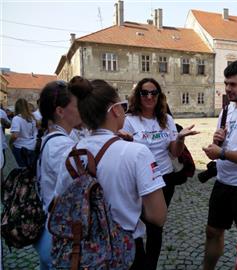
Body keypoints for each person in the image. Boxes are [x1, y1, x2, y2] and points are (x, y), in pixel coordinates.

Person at [54, 78, 167, 270]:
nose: (124, 109)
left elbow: (59, 202)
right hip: (125, 250)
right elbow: (158, 216)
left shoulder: (71, 154)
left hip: (84, 252)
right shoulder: (137, 152)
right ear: (115, 109)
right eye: (123, 105)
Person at [122, 77, 198, 270]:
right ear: (137, 96)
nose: (149, 96)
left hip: (163, 179)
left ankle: (150, 266)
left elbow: (174, 152)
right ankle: (138, 263)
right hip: (138, 181)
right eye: (144, 93)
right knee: (136, 225)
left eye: (153, 93)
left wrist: (180, 139)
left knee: (156, 228)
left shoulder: (167, 119)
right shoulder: (129, 121)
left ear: (159, 96)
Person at [201, 60, 237, 270]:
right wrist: (216, 143)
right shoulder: (226, 110)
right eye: (226, 84)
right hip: (223, 182)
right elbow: (219, 148)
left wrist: (222, 153)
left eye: (233, 84)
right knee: (212, 232)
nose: (227, 89)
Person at [34, 80, 82, 270]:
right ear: (60, 111)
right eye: (76, 106)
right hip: (59, 236)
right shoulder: (61, 145)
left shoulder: (56, 138)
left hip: (52, 229)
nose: (80, 109)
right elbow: (76, 190)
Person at [9, 98, 37, 167]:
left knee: (21, 170)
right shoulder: (32, 117)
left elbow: (15, 135)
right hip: (32, 146)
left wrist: (10, 143)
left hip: (20, 148)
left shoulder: (17, 118)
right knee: (30, 170)